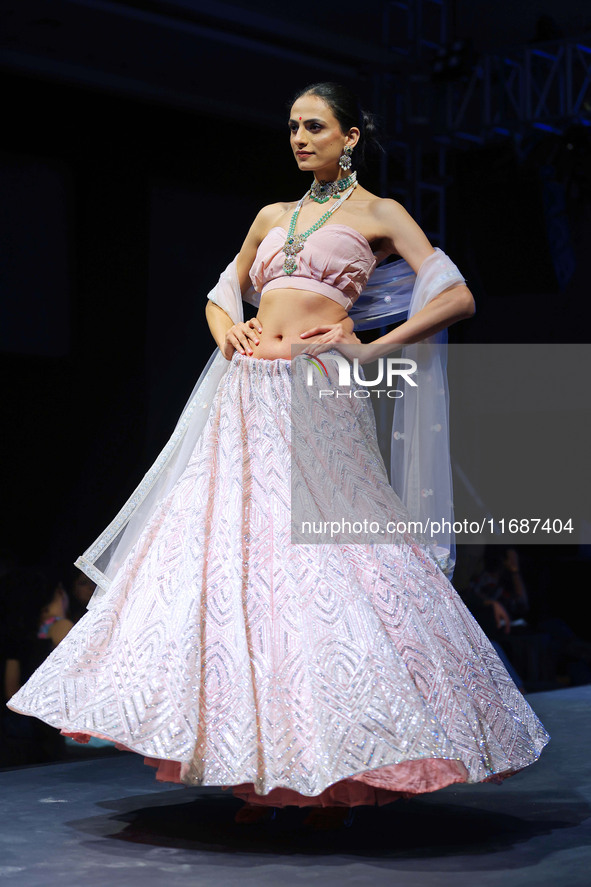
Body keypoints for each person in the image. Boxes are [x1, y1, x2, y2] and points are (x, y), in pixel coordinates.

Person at [7, 82, 550, 830]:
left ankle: (334, 767)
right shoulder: (272, 215)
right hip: (243, 393)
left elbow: (453, 296)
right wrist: (222, 327)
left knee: (328, 562)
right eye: (293, 126)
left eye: (315, 126)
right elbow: (220, 290)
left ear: (350, 136)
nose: (299, 137)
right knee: (245, 562)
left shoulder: (380, 215)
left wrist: (370, 345)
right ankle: (265, 768)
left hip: (318, 391)